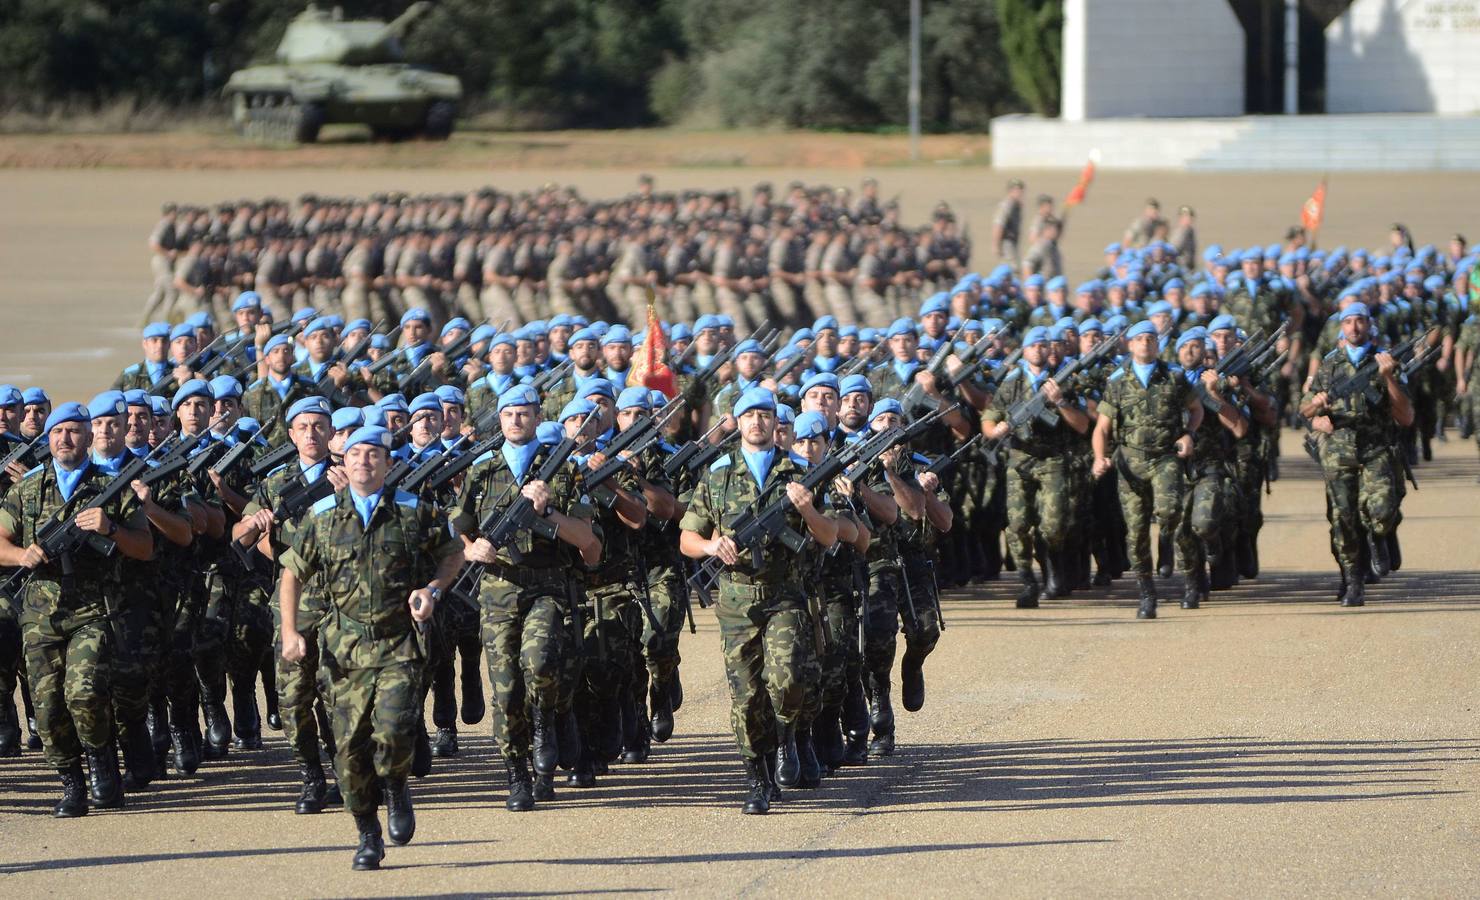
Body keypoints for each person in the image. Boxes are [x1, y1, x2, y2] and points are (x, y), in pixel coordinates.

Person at [278, 424, 465, 870]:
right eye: (356, 454)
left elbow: (453, 553)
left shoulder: (414, 511)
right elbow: (292, 574)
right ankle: (367, 833)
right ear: (343, 461)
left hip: (399, 643)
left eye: (374, 455)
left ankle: (397, 786)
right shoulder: (321, 516)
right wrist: (290, 632)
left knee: (396, 730)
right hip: (343, 652)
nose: (364, 461)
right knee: (349, 752)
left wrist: (433, 590)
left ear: (388, 463)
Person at [679, 387, 839, 813]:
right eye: (749, 415)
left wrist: (806, 510)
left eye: (765, 415)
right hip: (736, 600)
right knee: (747, 695)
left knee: (787, 681)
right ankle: (759, 779)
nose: (757, 422)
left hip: (786, 595)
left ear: (775, 421)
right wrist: (712, 548)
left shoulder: (801, 472)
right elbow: (687, 538)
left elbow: (829, 537)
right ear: (737, 421)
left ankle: (787, 733)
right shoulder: (717, 475)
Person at [451, 384, 601, 812]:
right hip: (498, 590)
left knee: (538, 662)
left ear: (538, 418)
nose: (516, 420)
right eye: (508, 414)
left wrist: (547, 512)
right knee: (505, 688)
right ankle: (517, 774)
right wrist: (471, 548)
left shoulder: (562, 470)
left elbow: (586, 539)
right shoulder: (481, 472)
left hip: (547, 586)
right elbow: (460, 527)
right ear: (499, 420)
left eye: (524, 413)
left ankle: (544, 720)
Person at [0, 402, 154, 817]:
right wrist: (20, 555)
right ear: (46, 440)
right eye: (56, 433)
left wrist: (111, 529)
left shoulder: (113, 486)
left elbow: (145, 547)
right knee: (47, 709)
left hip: (93, 612)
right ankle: (71, 780)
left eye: (73, 432)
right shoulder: (27, 489)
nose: (64, 440)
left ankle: (102, 759)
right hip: (40, 615)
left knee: (84, 693)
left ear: (88, 438)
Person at [1298, 303, 1413, 607]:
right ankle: (1353, 580)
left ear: (1369, 325)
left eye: (1360, 321)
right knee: (1343, 520)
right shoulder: (1329, 365)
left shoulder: (1385, 361)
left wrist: (1388, 378)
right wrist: (1317, 410)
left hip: (1376, 449)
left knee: (1382, 509)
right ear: (1341, 328)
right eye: (1348, 322)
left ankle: (1380, 535)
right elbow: (1304, 408)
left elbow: (1406, 416)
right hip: (1339, 452)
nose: (1354, 327)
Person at [1091, 321, 1203, 619]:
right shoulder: (1117, 383)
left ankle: (1191, 579)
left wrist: (1188, 434)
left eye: (1151, 339)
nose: (1145, 344)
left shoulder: (1174, 378)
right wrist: (1099, 457)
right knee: (1136, 532)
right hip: (1130, 462)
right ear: (1130, 345)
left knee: (1172, 512)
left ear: (1158, 345)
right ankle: (1146, 591)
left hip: (1165, 457)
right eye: (1140, 339)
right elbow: (1102, 428)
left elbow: (1196, 409)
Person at [981, 326, 1090, 607]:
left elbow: (1082, 425)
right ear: (1025, 351)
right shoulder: (1011, 384)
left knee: (1053, 525)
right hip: (1020, 461)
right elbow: (988, 420)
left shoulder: (1065, 383)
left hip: (1053, 460)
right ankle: (1028, 580)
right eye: (1034, 345)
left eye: (1044, 345)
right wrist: (998, 430)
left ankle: (1053, 568)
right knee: (1017, 525)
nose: (1040, 350)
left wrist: (1060, 402)